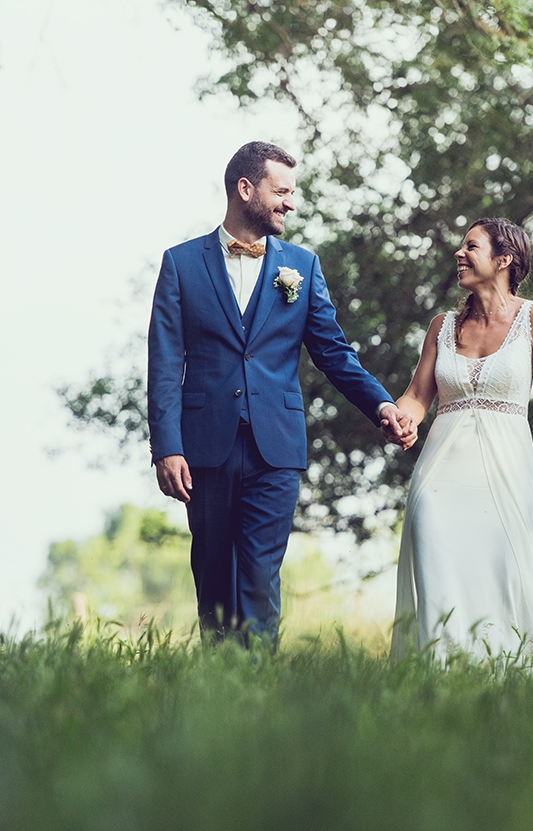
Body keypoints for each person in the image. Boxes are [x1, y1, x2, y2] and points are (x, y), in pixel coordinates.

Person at [147, 141, 413, 648]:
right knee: (213, 576)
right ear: (246, 189)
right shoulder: (180, 264)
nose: (290, 203)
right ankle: (223, 690)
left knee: (261, 575)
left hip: (277, 447)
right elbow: (164, 364)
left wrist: (382, 404)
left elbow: (333, 352)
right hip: (203, 448)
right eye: (282, 191)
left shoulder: (303, 266)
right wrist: (167, 446)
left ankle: (260, 688)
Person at [389, 217, 533, 661]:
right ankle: (436, 678)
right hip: (439, 474)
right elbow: (416, 396)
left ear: (504, 259)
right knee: (434, 564)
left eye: (471, 246)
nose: (459, 254)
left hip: (506, 472)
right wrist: (400, 418)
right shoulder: (441, 326)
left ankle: (506, 679)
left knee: (502, 575)